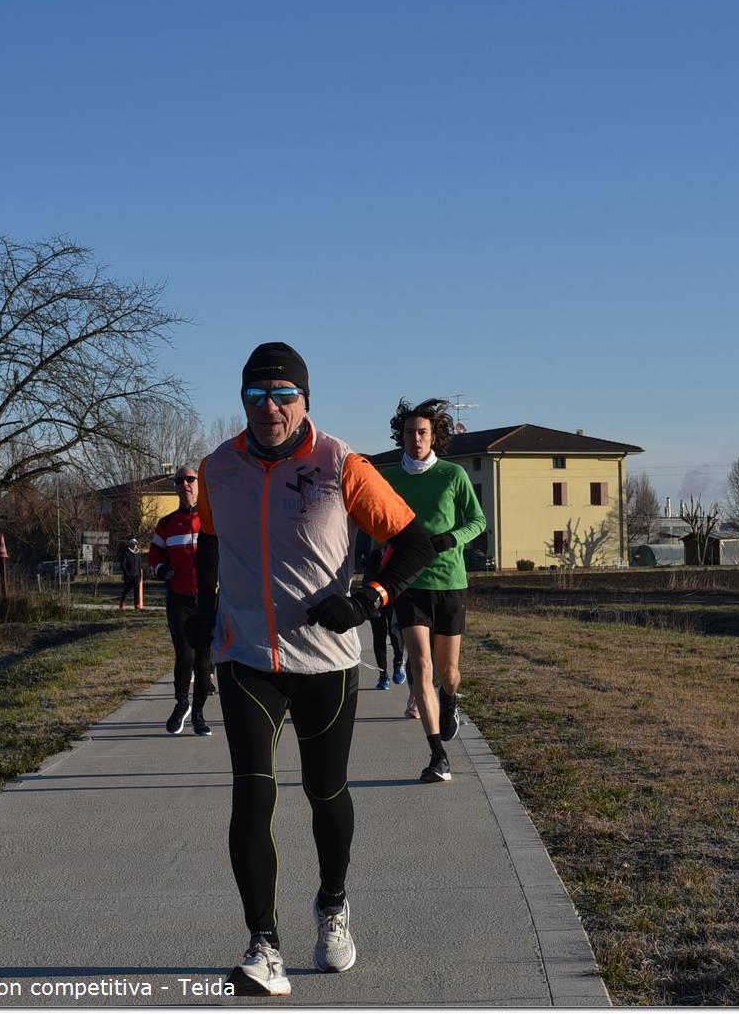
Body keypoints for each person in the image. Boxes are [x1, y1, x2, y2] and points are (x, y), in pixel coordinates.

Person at [193, 342, 435, 996]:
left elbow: (414, 542)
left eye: (283, 395)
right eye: (256, 395)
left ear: (305, 400)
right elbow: (210, 544)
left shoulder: (339, 463)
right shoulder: (218, 468)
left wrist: (369, 598)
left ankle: (332, 903)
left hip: (325, 660)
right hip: (247, 657)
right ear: (242, 401)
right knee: (252, 793)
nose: (269, 407)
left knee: (325, 792)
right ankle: (263, 944)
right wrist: (203, 620)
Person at [379, 397, 487, 784]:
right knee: (421, 666)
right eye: (409, 432)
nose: (416, 439)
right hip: (410, 584)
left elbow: (478, 521)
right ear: (402, 436)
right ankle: (438, 755)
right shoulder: (390, 478)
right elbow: (378, 522)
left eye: (422, 432)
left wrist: (451, 539)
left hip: (450, 582)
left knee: (448, 672)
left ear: (435, 436)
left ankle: (450, 699)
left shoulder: (453, 475)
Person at [149, 467, 212, 736]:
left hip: (208, 601)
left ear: (199, 485)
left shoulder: (212, 520)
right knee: (185, 655)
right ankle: (182, 703)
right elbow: (154, 555)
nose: (184, 484)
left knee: (204, 662)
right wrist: (161, 569)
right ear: (174, 487)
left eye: (189, 479)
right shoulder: (166, 523)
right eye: (179, 481)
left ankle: (198, 716)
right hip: (179, 599)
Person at [355, 532, 405, 690]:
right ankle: (383, 676)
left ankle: (398, 663)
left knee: (395, 631)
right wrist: (370, 556)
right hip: (373, 591)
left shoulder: (396, 537)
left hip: (393, 591)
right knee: (379, 634)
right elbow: (356, 556)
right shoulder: (366, 536)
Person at [117, 537, 142, 612]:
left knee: (136, 591)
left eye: (136, 544)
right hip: (129, 576)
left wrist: (140, 575)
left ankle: (136, 605)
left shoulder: (138, 553)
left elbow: (139, 565)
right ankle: (122, 603)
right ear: (130, 544)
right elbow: (123, 565)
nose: (135, 545)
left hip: (136, 576)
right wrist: (126, 574)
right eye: (133, 544)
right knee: (126, 590)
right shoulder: (126, 553)